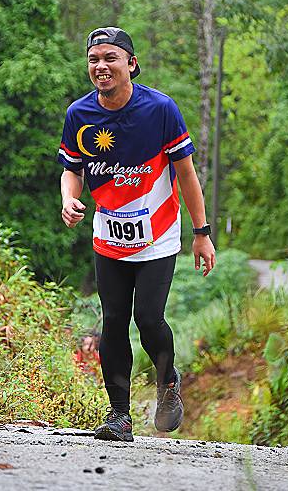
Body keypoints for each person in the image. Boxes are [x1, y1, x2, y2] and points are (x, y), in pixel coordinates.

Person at [58, 27, 216, 442]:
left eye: (110, 58)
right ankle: (120, 416)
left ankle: (167, 383)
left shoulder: (160, 109)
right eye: (94, 59)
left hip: (158, 235)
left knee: (148, 318)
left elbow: (186, 174)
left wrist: (202, 232)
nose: (101, 66)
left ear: (131, 63)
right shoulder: (79, 114)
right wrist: (70, 198)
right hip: (108, 236)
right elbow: (72, 170)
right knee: (113, 322)